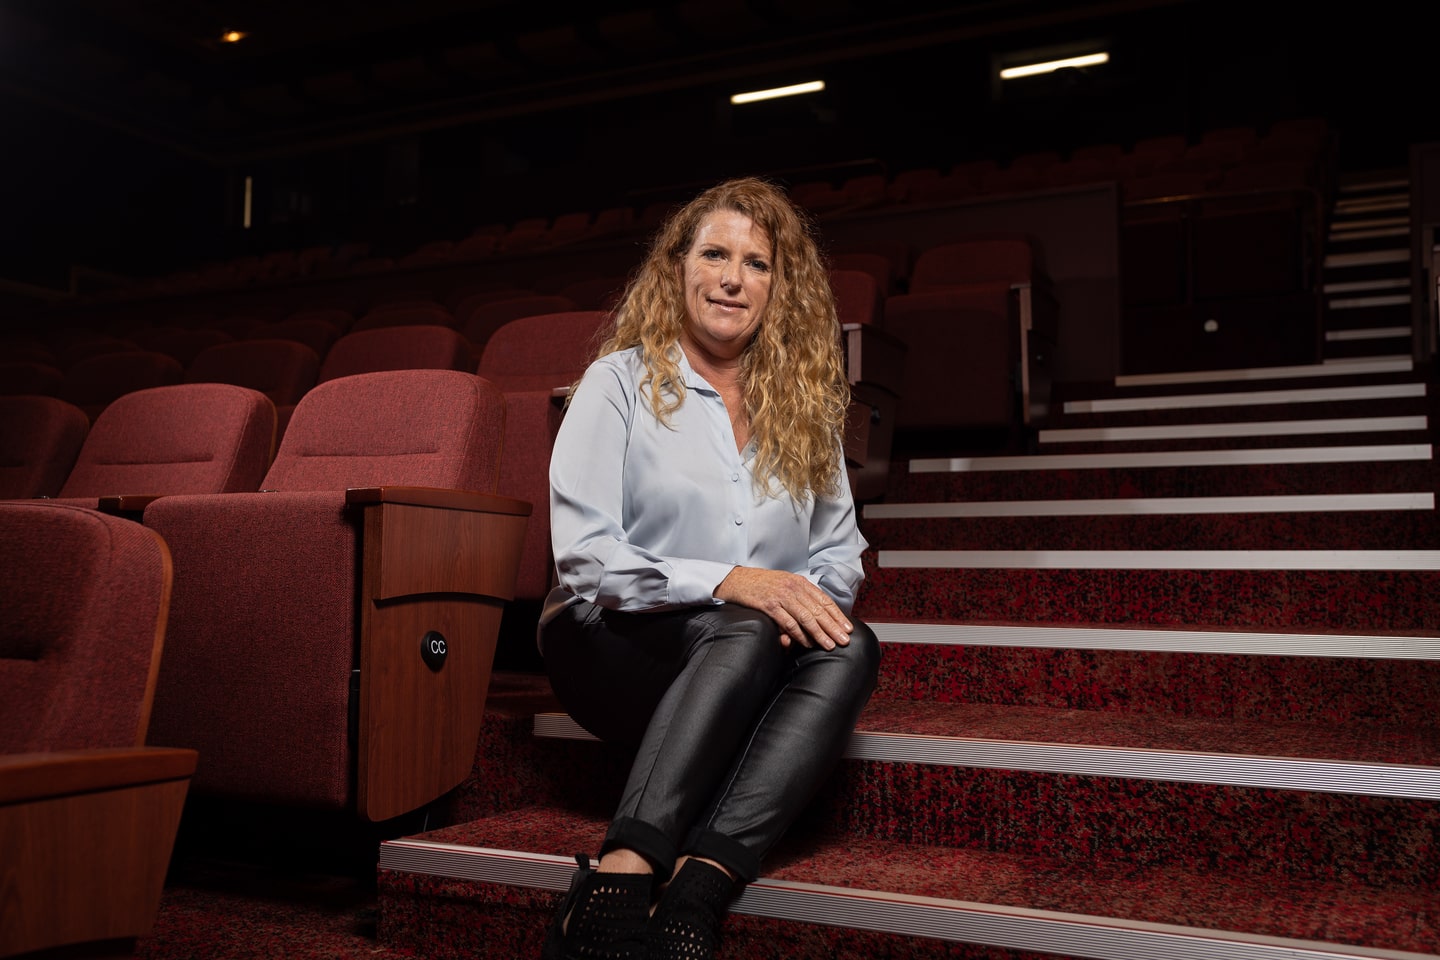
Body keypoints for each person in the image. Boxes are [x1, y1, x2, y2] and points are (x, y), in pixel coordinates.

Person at [537, 176, 881, 960]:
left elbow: (838, 552)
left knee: (851, 645)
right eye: (715, 255)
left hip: (750, 656)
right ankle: (620, 876)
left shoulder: (803, 405)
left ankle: (701, 883)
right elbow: (587, 559)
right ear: (678, 268)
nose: (733, 278)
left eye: (757, 264)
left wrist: (798, 610)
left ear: (778, 289)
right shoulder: (618, 382)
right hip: (612, 643)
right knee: (746, 623)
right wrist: (732, 582)